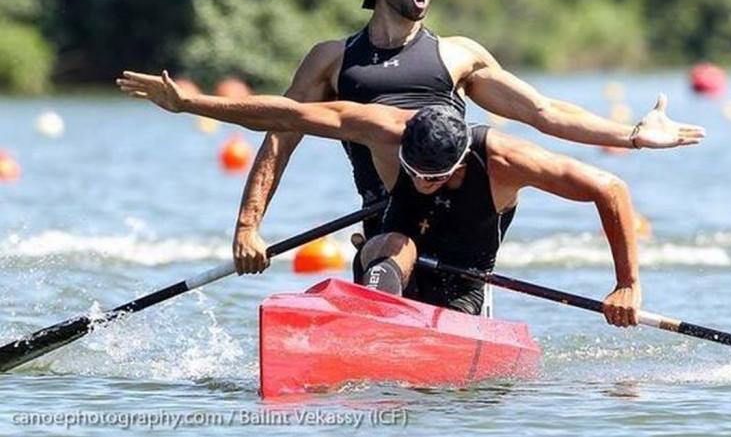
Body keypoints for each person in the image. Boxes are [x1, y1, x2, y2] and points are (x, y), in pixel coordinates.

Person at [126, 0, 704, 277]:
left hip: (464, 204)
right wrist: (249, 227)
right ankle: (377, 287)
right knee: (388, 247)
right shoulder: (331, 59)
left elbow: (544, 112)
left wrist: (630, 134)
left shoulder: (458, 56)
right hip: (385, 208)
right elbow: (282, 130)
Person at [119, 71, 648, 327]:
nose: (419, 182)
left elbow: (611, 189)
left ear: (461, 161)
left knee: (423, 266)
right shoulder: (391, 127)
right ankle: (371, 318)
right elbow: (288, 114)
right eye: (412, 172)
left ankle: (401, 319)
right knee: (388, 242)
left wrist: (626, 285)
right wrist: (191, 103)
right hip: (393, 255)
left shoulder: (508, 158)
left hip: (465, 278)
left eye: (433, 178)